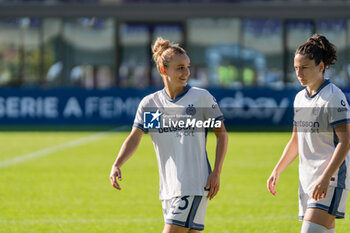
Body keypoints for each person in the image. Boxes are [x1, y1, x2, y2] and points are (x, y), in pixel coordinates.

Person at [110, 37, 228, 233]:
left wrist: (216, 172)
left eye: (187, 67)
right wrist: (117, 164)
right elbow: (136, 136)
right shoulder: (152, 105)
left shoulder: (200, 98)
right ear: (163, 70)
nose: (186, 72)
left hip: (193, 184)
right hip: (168, 189)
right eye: (180, 67)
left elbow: (222, 135)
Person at [267, 34, 350, 233]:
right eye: (296, 68)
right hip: (307, 181)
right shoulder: (299, 98)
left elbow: (346, 141)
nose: (299, 73)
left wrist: (325, 177)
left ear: (320, 67)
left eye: (304, 67)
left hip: (330, 180)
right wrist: (277, 170)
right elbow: (296, 140)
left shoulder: (333, 96)